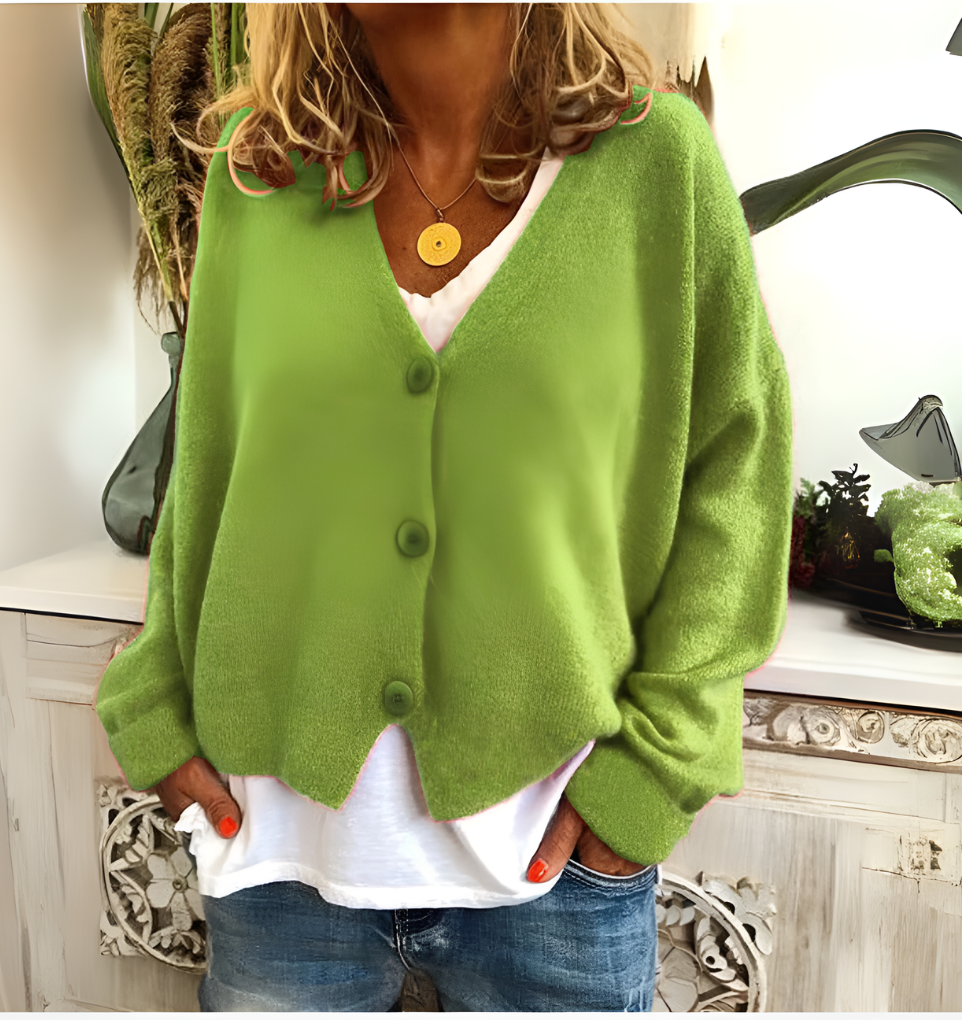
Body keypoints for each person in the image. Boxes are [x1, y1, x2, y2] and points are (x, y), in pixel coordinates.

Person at [96, 3, 793, 1012]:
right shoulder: (261, 175)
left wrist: (653, 772)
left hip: (553, 877)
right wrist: (154, 708)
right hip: (281, 865)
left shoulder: (655, 167)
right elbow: (209, 466)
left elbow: (738, 472)